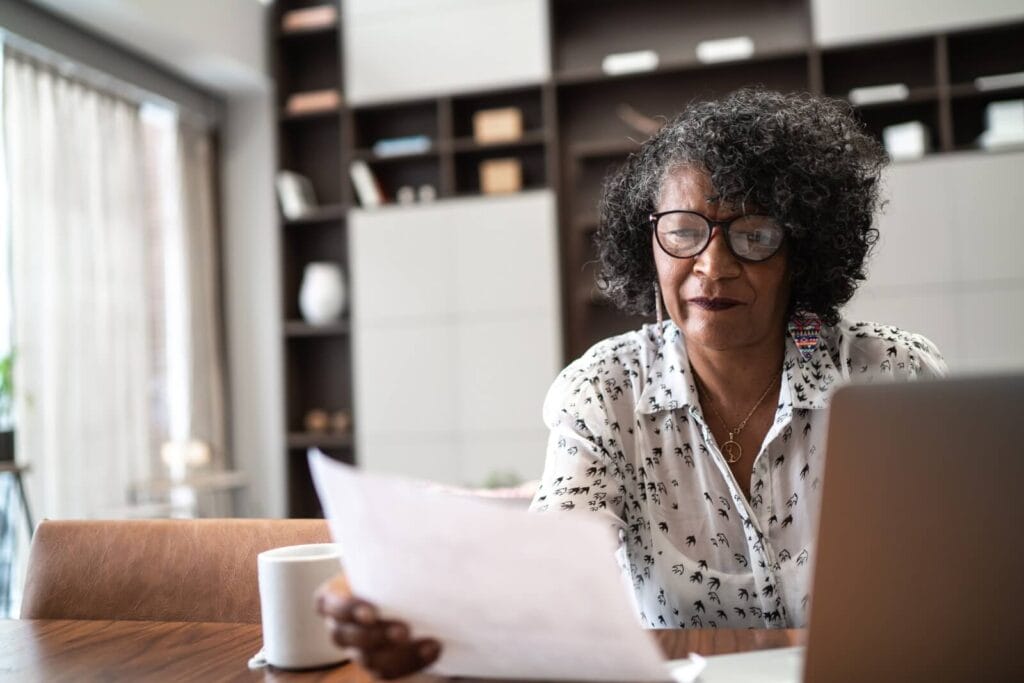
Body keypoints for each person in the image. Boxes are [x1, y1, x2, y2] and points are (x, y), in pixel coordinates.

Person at [315, 87, 946, 677]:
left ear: (800, 253)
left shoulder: (887, 377)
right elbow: (550, 562)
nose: (712, 267)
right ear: (648, 242)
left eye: (753, 236)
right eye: (683, 231)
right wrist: (410, 604)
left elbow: (959, 565)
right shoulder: (604, 392)